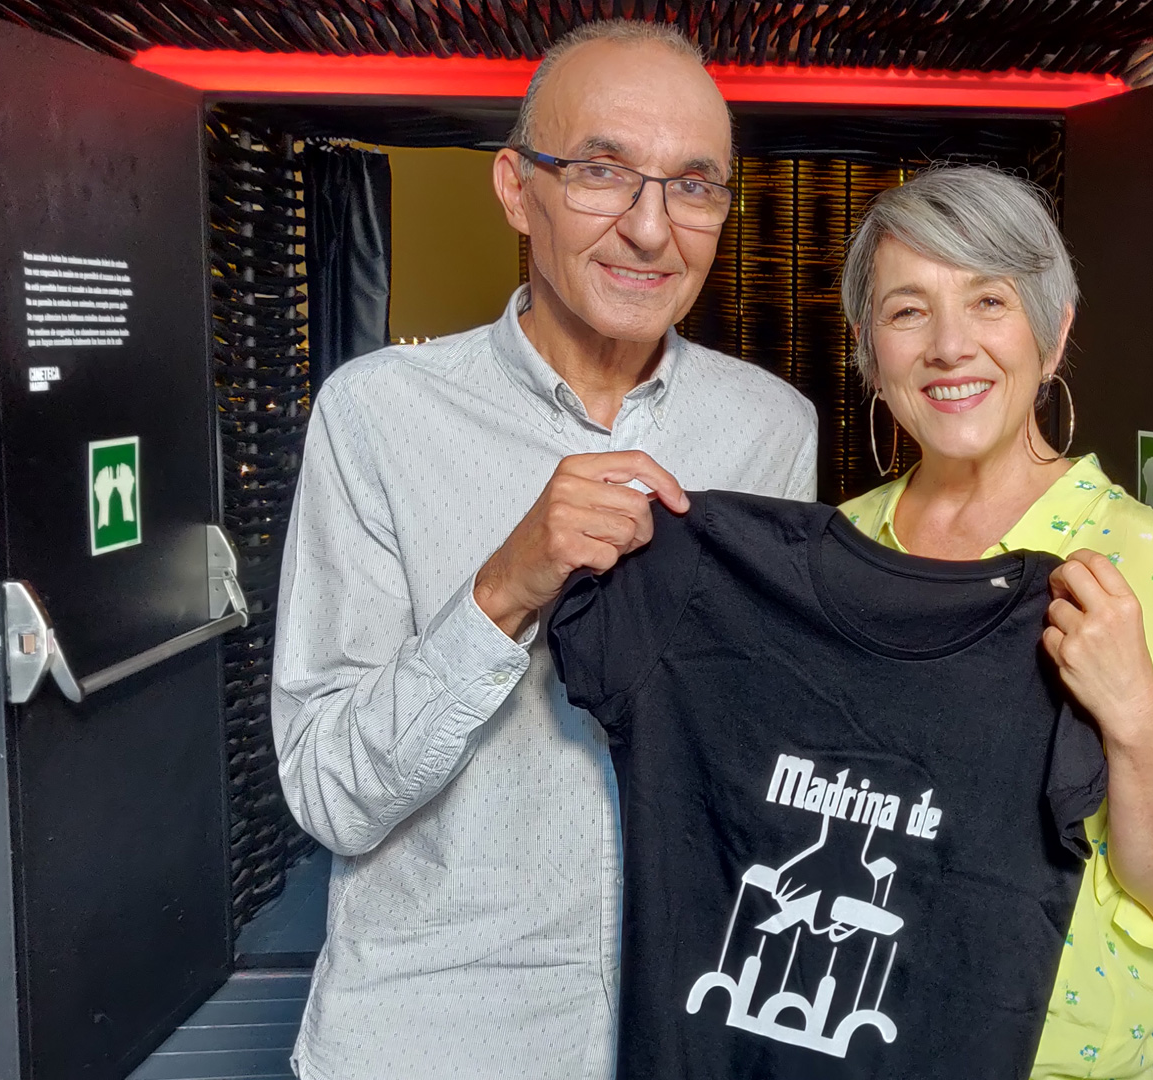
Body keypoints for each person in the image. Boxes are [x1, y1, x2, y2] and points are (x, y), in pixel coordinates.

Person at [270, 21, 817, 1080]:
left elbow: (766, 746)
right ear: (518, 190)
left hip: (686, 1031)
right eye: (603, 172)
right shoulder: (375, 415)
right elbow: (331, 794)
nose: (651, 229)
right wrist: (502, 589)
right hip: (435, 1041)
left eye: (693, 186)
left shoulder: (772, 429)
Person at [835, 166, 1153, 1079]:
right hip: (854, 1048)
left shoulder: (1135, 556)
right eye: (908, 311)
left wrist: (1133, 714)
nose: (951, 347)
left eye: (988, 301)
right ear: (868, 347)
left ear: (1054, 330)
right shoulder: (841, 548)